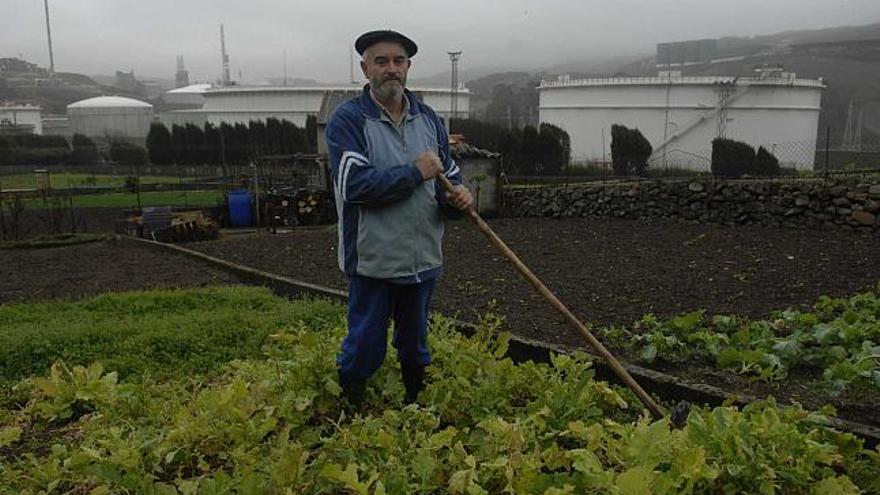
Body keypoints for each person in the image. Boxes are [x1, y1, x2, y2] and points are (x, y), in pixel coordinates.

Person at [325, 29, 473, 407]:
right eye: (381, 61)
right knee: (365, 342)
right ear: (365, 68)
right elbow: (353, 185)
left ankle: (415, 402)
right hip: (374, 258)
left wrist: (457, 199)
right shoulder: (349, 120)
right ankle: (350, 404)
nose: (391, 69)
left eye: (398, 61)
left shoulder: (428, 118)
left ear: (408, 66)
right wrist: (414, 173)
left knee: (415, 341)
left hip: (422, 255)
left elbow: (448, 177)